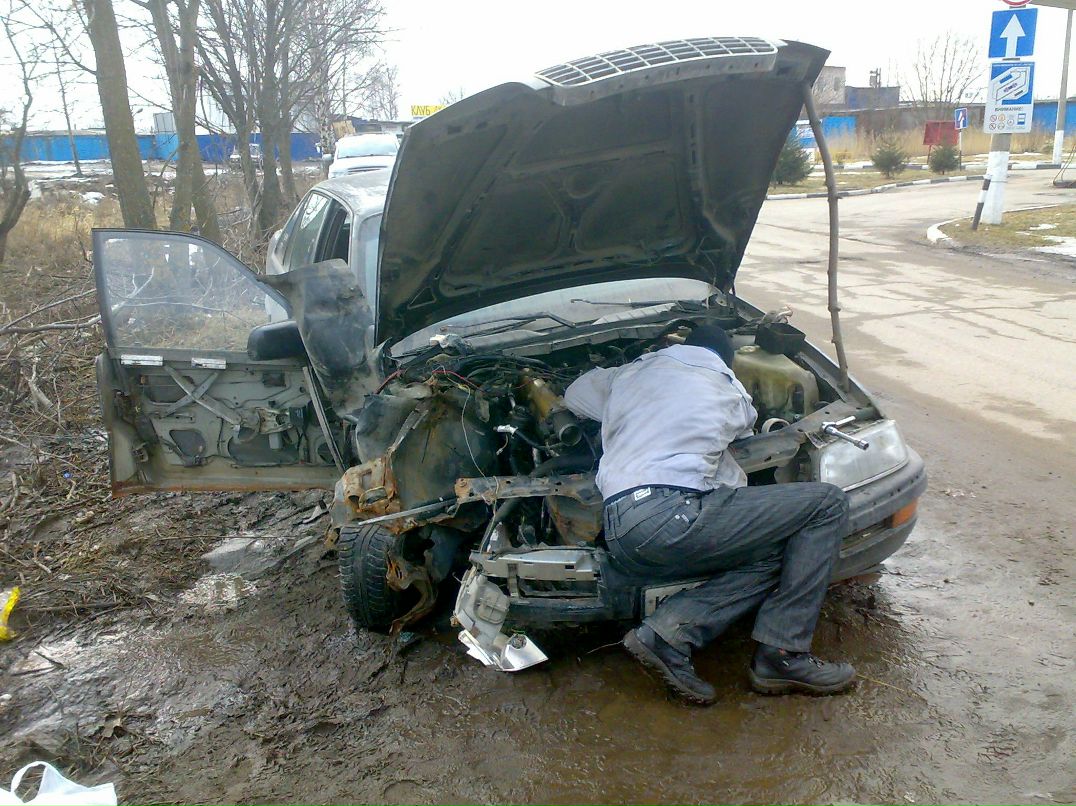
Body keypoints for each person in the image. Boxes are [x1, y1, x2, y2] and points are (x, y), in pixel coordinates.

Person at [563, 325, 854, 705]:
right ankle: (783, 655)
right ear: (724, 359)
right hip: (673, 513)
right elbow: (746, 429)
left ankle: (670, 633)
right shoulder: (727, 386)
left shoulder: (627, 374)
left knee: (781, 550)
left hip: (619, 526)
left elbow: (573, 393)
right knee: (827, 504)